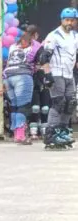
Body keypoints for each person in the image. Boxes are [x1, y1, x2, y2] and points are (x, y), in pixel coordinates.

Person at [39, 7, 78, 149]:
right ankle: (51, 134)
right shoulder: (53, 35)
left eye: (72, 20)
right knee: (59, 103)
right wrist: (47, 74)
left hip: (69, 74)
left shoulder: (75, 36)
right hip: (56, 73)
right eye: (67, 20)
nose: (69, 22)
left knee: (71, 103)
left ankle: (62, 131)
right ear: (62, 20)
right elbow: (44, 56)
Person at [3, 28, 42, 145]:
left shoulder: (13, 45)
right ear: (34, 35)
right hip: (23, 76)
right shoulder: (35, 45)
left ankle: (16, 134)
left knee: (14, 106)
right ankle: (20, 136)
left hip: (8, 76)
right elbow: (41, 58)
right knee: (23, 106)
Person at [27, 25, 50, 139]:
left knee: (45, 107)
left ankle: (45, 130)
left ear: (36, 35)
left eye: (32, 34)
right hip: (31, 77)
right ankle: (33, 131)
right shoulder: (22, 46)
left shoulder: (42, 46)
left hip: (43, 76)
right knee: (34, 107)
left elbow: (46, 62)